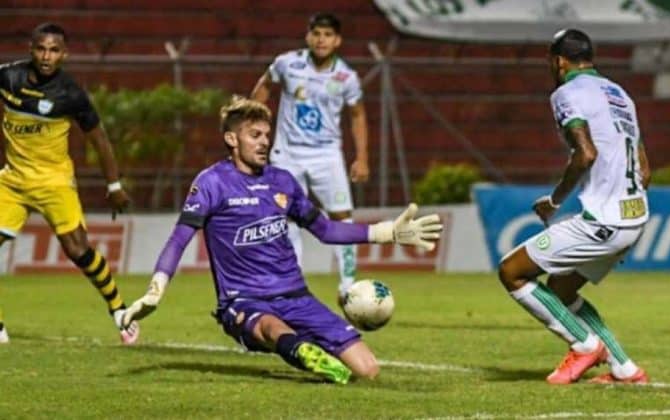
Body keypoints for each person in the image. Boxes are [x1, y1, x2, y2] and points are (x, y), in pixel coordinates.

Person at [121, 97, 441, 384]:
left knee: (368, 370)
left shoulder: (282, 181)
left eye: (266, 134)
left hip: (296, 296)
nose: (264, 142)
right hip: (244, 300)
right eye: (254, 135)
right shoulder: (212, 183)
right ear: (232, 139)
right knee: (271, 328)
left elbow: (326, 230)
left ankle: (304, 348)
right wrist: (155, 290)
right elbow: (179, 239)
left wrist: (388, 232)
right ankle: (302, 351)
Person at [497, 29, 650, 385]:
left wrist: (554, 202)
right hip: (634, 217)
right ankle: (625, 369)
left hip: (603, 223)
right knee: (562, 290)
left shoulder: (567, 93)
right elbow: (644, 171)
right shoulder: (620, 94)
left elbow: (586, 154)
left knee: (512, 271)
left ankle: (584, 345)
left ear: (559, 61)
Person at [0, 23, 137, 344]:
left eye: (54, 50)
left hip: (54, 182)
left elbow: (99, 140)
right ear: (31, 49)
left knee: (78, 250)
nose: (46, 56)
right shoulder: (8, 77)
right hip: (13, 182)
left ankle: (118, 308)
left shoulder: (71, 94)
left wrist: (114, 186)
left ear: (64, 54)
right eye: (41, 49)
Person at [250, 12, 369, 306]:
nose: (321, 40)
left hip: (327, 155)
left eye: (328, 35)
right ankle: (293, 284)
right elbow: (265, 85)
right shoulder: (287, 64)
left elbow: (357, 115)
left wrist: (362, 157)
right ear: (308, 36)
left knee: (341, 215)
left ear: (337, 40)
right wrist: (251, 123)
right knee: (287, 217)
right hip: (287, 154)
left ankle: (348, 286)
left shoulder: (346, 77)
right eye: (316, 33)